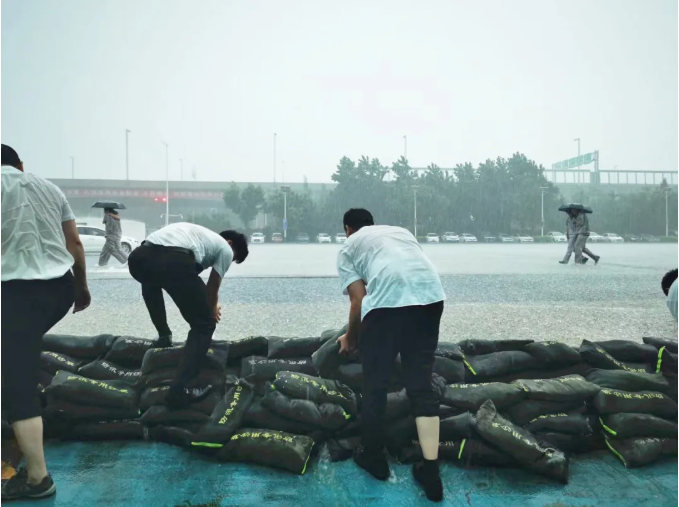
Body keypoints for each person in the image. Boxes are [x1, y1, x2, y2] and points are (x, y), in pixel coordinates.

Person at [336, 208, 446, 502]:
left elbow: (358, 300)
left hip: (386, 308)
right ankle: (431, 472)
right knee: (421, 386)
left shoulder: (348, 246)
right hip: (431, 298)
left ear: (348, 229)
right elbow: (408, 272)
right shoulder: (400, 232)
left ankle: (373, 457)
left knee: (376, 384)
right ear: (372, 224)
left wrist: (351, 337)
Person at [1, 144, 91, 501]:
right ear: (20, 165)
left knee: (17, 378)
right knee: (16, 359)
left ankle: (38, 479)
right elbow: (75, 244)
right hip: (58, 290)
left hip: (15, 292)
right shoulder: (50, 188)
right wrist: (81, 288)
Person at [127, 222, 248, 408]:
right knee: (204, 324)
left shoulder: (197, 235)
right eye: (233, 259)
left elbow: (180, 278)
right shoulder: (225, 248)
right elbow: (212, 288)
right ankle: (179, 391)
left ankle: (164, 336)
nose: (228, 262)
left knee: (151, 281)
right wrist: (213, 308)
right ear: (230, 243)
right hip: (174, 261)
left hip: (138, 258)